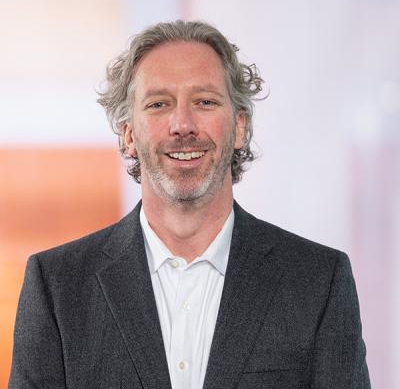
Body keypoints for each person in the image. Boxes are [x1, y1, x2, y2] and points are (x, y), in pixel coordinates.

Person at [9, 20, 370, 389]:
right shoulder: (58, 286)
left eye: (205, 102)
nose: (182, 125)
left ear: (240, 127)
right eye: (159, 104)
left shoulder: (318, 281)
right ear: (129, 135)